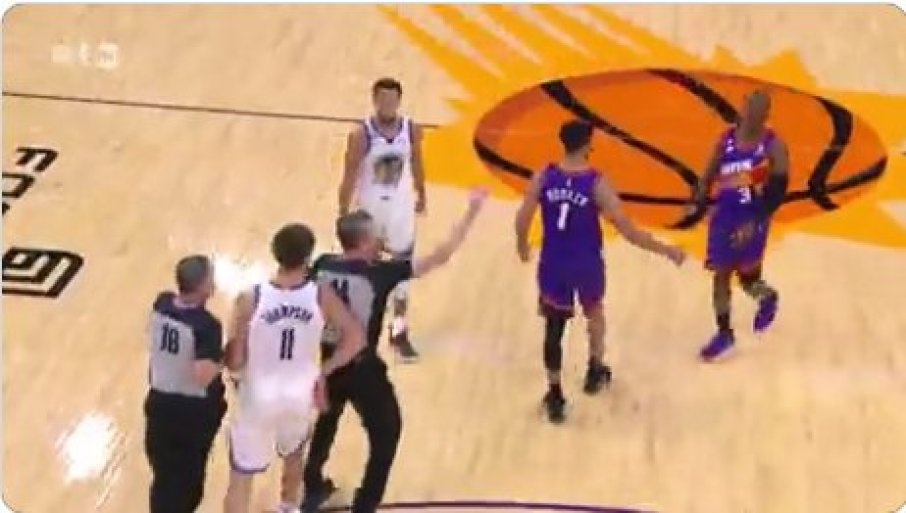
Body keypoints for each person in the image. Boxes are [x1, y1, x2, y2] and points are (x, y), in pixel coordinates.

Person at [302, 187, 488, 513]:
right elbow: (440, 256)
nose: (380, 240)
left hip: (329, 359)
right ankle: (365, 504)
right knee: (387, 433)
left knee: (327, 420)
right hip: (361, 367)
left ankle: (312, 485)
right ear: (363, 242)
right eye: (375, 236)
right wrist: (471, 211)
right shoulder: (380, 273)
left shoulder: (322, 265)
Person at [514, 120, 685, 424]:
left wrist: (522, 244)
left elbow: (523, 216)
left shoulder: (544, 175)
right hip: (587, 263)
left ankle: (555, 394)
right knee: (594, 313)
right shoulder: (595, 182)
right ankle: (595, 370)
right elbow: (628, 230)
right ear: (587, 144)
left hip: (554, 263)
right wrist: (666, 250)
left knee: (553, 329)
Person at [222, 224, 366, 513]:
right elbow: (356, 339)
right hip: (300, 392)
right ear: (308, 257)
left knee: (241, 477)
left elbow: (235, 359)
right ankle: (288, 507)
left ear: (275, 254)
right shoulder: (320, 295)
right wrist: (324, 370)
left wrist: (236, 375)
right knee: (294, 455)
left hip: (258, 395)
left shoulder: (252, 298)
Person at [687, 89, 789, 361]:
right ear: (742, 109)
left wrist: (755, 221)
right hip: (723, 218)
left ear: (766, 115)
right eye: (749, 108)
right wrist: (698, 201)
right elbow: (707, 176)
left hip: (752, 217)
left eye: (759, 110)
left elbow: (778, 192)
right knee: (720, 274)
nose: (752, 114)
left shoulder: (774, 146)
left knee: (747, 278)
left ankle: (767, 297)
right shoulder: (725, 141)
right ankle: (724, 333)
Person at [338, 77, 427, 362]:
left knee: (402, 274)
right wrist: (343, 210)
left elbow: (418, 162)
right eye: (382, 99)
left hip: (400, 210)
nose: (387, 104)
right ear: (374, 100)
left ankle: (398, 332)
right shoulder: (360, 134)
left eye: (392, 99)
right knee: (364, 273)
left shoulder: (411, 129)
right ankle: (356, 333)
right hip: (370, 213)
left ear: (399, 100)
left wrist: (422, 192)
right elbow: (349, 173)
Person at [144, 254, 226, 513]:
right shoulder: (207, 326)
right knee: (187, 485)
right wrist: (224, 358)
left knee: (163, 479)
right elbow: (203, 376)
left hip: (158, 402)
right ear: (202, 286)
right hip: (190, 413)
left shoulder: (162, 303)